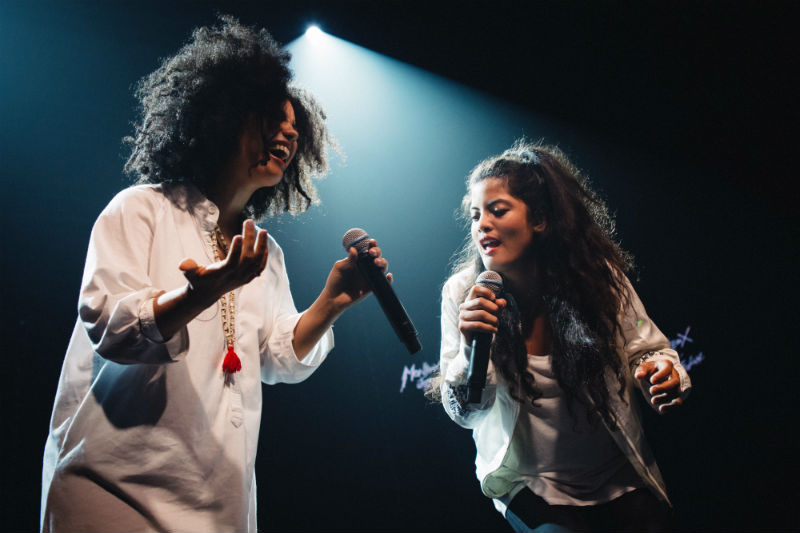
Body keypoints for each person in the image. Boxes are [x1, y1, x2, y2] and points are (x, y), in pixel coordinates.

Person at [40, 16, 389, 532]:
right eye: (273, 117)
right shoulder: (141, 209)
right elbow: (110, 327)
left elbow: (275, 359)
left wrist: (331, 303)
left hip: (219, 505)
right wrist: (202, 293)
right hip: (113, 493)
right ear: (222, 116)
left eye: (294, 127)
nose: (289, 132)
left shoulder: (264, 255)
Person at [430, 140, 691, 532]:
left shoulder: (597, 278)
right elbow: (466, 414)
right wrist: (472, 348)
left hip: (615, 475)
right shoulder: (462, 292)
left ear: (540, 219)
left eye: (497, 211)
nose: (481, 224)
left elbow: (646, 344)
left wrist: (662, 371)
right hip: (528, 484)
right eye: (474, 215)